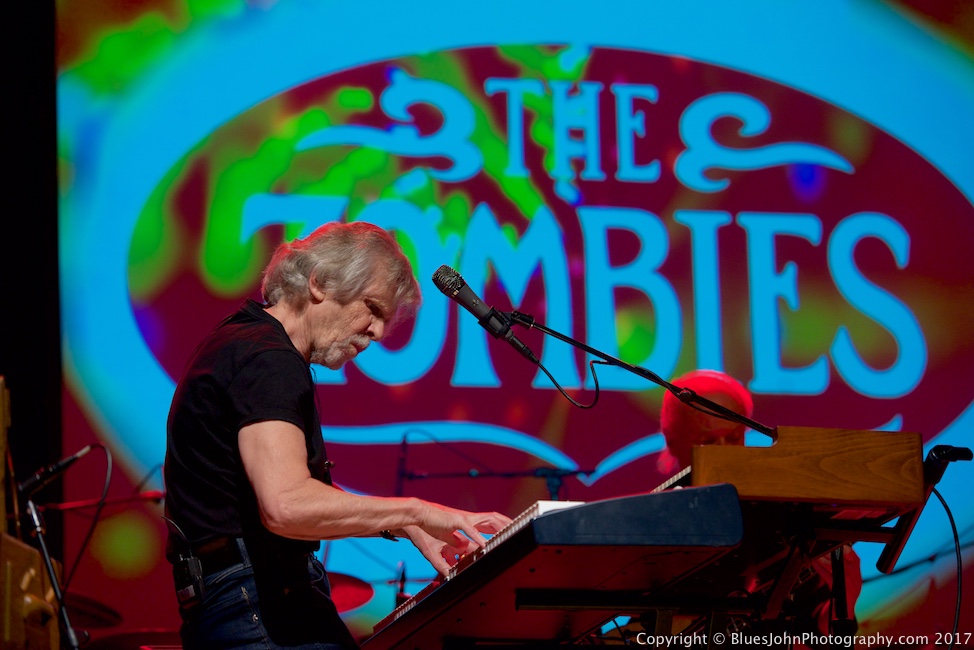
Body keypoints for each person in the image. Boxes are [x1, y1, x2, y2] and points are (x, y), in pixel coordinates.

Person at [163, 221, 512, 650]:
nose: (379, 332)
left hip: (239, 597)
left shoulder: (244, 342)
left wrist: (405, 528)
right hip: (257, 601)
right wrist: (414, 511)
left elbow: (280, 492)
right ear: (319, 283)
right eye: (373, 309)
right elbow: (287, 505)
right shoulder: (268, 360)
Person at [657, 369, 862, 640]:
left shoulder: (784, 518)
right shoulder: (653, 523)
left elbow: (824, 635)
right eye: (707, 442)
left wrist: (845, 595)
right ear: (673, 443)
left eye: (732, 438)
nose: (725, 453)